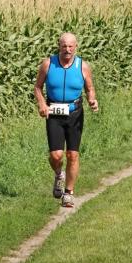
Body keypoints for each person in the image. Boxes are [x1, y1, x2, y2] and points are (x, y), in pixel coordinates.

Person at [33, 32, 98, 208]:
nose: (67, 50)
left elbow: (90, 88)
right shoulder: (48, 64)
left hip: (75, 113)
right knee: (56, 155)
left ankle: (68, 193)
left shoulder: (82, 66)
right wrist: (41, 104)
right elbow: (37, 87)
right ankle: (58, 174)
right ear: (59, 46)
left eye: (70, 46)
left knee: (72, 154)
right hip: (54, 113)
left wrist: (92, 100)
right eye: (64, 46)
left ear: (76, 47)